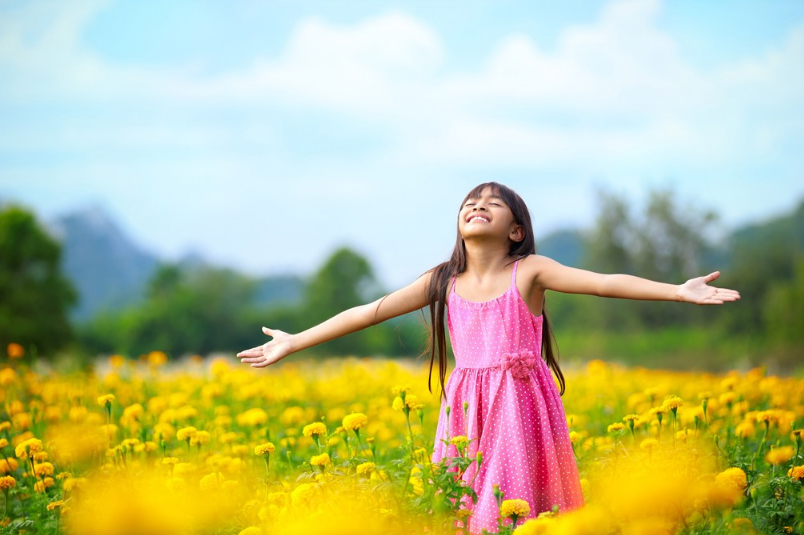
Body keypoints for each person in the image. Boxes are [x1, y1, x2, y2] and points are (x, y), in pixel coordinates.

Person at [236, 182, 740, 534]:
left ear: (515, 231)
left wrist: (677, 291)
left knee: (511, 511)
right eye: (470, 203)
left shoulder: (530, 272)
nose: (478, 207)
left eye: (492, 205)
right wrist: (295, 340)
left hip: (520, 410)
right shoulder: (442, 281)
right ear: (459, 223)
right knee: (464, 510)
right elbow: (369, 312)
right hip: (465, 415)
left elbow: (604, 284)